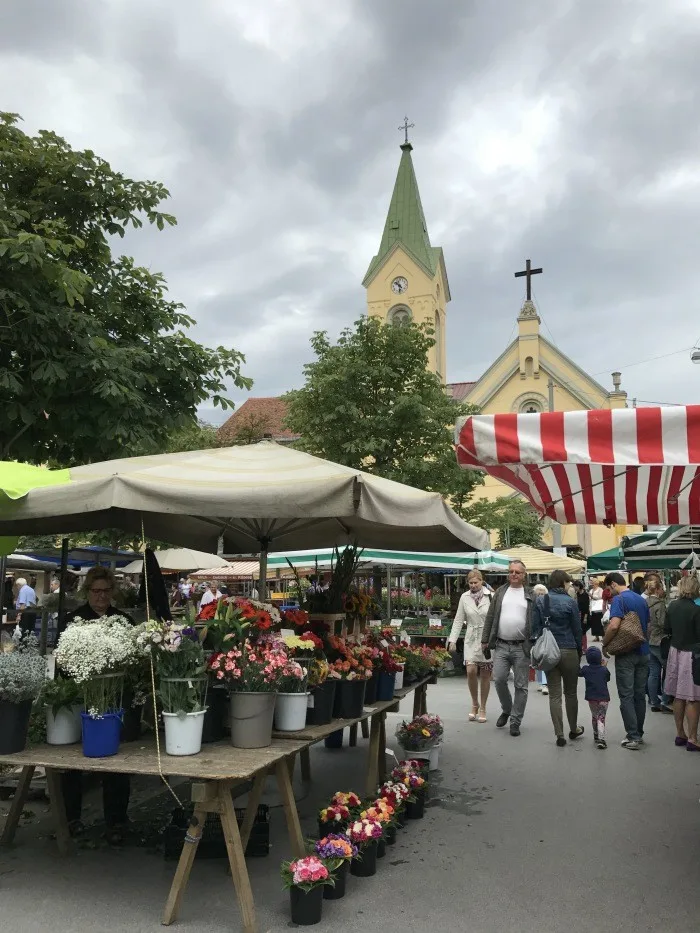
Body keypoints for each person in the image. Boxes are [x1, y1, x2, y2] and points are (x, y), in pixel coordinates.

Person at [58, 567, 134, 844]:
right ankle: (70, 819)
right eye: (96, 591)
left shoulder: (122, 620)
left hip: (113, 700)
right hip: (81, 698)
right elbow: (62, 662)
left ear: (112, 592)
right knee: (72, 761)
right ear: (87, 592)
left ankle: (116, 821)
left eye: (106, 591)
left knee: (117, 763)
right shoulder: (73, 620)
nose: (101, 596)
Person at [481, 560, 534, 737]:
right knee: (499, 679)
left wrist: (535, 641)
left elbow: (537, 619)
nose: (513, 574)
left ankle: (515, 721)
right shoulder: (500, 592)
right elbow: (490, 616)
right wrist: (485, 639)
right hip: (501, 644)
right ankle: (507, 709)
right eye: (511, 571)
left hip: (522, 647)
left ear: (524, 575)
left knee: (521, 686)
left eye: (517, 572)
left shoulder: (531, 594)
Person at [531, 570, 584, 747]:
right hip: (569, 649)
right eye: (568, 582)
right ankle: (574, 728)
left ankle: (559, 734)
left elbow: (535, 627)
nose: (569, 585)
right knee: (571, 692)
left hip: (549, 651)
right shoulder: (570, 602)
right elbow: (577, 630)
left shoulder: (541, 601)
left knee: (554, 694)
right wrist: (579, 650)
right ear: (563, 583)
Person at [602, 571, 650, 751]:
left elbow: (614, 625)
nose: (610, 592)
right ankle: (639, 733)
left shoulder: (619, 600)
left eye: (609, 588)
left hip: (626, 654)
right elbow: (648, 625)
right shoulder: (641, 599)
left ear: (613, 584)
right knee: (639, 695)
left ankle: (633, 736)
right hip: (643, 651)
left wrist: (605, 643)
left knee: (626, 695)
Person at [448, 570, 493, 722]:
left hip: (486, 639)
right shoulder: (464, 597)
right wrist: (453, 640)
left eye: (476, 582)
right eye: (470, 583)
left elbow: (495, 619)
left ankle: (483, 707)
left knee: (485, 674)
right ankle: (474, 703)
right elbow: (458, 619)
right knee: (471, 671)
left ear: (482, 581)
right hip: (471, 637)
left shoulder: (491, 596)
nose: (473, 585)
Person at [663, 575, 700, 751]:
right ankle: (693, 738)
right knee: (693, 697)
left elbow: (666, 629)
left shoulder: (672, 606)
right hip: (692, 654)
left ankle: (680, 734)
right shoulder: (696, 610)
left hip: (675, 651)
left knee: (678, 696)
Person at [646, 575, 671, 713]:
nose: (663, 591)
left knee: (653, 672)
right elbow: (662, 623)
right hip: (660, 640)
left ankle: (653, 700)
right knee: (668, 670)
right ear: (657, 589)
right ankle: (664, 701)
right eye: (662, 588)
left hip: (649, 639)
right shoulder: (659, 604)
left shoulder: (645, 602)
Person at [578, 645, 611, 749]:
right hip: (604, 698)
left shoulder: (585, 669)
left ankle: (596, 734)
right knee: (601, 717)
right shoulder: (604, 670)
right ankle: (601, 739)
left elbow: (579, 673)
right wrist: (604, 666)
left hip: (591, 698)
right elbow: (607, 678)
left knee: (594, 716)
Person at [532, 584, 549, 695]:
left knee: (544, 658)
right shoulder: (532, 604)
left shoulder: (548, 603)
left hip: (545, 633)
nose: (540, 596)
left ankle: (545, 683)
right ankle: (541, 682)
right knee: (537, 658)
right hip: (536, 634)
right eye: (538, 594)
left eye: (542, 594)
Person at [573, 581, 590, 649]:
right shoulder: (577, 594)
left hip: (584, 615)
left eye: (575, 586)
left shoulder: (585, 595)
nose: (574, 588)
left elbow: (586, 607)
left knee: (583, 631)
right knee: (579, 631)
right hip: (578, 614)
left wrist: (585, 618)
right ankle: (580, 646)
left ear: (579, 586)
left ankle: (584, 647)